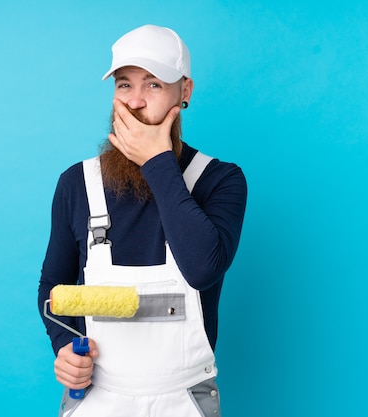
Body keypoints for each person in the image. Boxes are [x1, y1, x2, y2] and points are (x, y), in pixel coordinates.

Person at [38, 24, 247, 417]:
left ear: (184, 92)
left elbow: (203, 269)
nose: (135, 102)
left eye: (152, 85)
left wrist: (156, 162)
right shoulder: (76, 184)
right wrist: (63, 346)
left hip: (183, 400)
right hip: (96, 400)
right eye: (123, 85)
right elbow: (53, 286)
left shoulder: (221, 180)